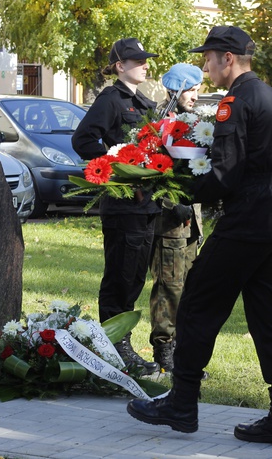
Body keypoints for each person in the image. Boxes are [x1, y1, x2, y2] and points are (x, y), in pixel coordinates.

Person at [126, 26, 272, 448]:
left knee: (197, 306)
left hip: (246, 224)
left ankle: (182, 404)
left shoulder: (235, 104)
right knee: (269, 320)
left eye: (208, 57)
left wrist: (172, 183)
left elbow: (224, 174)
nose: (205, 66)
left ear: (228, 58)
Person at [71, 38, 161, 375]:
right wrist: (113, 165)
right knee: (121, 277)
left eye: (145, 59)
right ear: (120, 66)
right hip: (124, 205)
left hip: (147, 204)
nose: (144, 65)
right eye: (137, 61)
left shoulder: (144, 102)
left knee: (135, 277)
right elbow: (82, 139)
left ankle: (120, 343)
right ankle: (115, 347)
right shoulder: (112, 99)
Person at [149, 63, 204, 372]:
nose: (195, 96)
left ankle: (184, 351)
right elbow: (151, 171)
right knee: (169, 286)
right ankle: (164, 348)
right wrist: (172, 206)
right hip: (169, 220)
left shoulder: (193, 122)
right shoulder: (159, 123)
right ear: (175, 90)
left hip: (192, 219)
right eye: (190, 90)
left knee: (190, 286)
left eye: (198, 90)